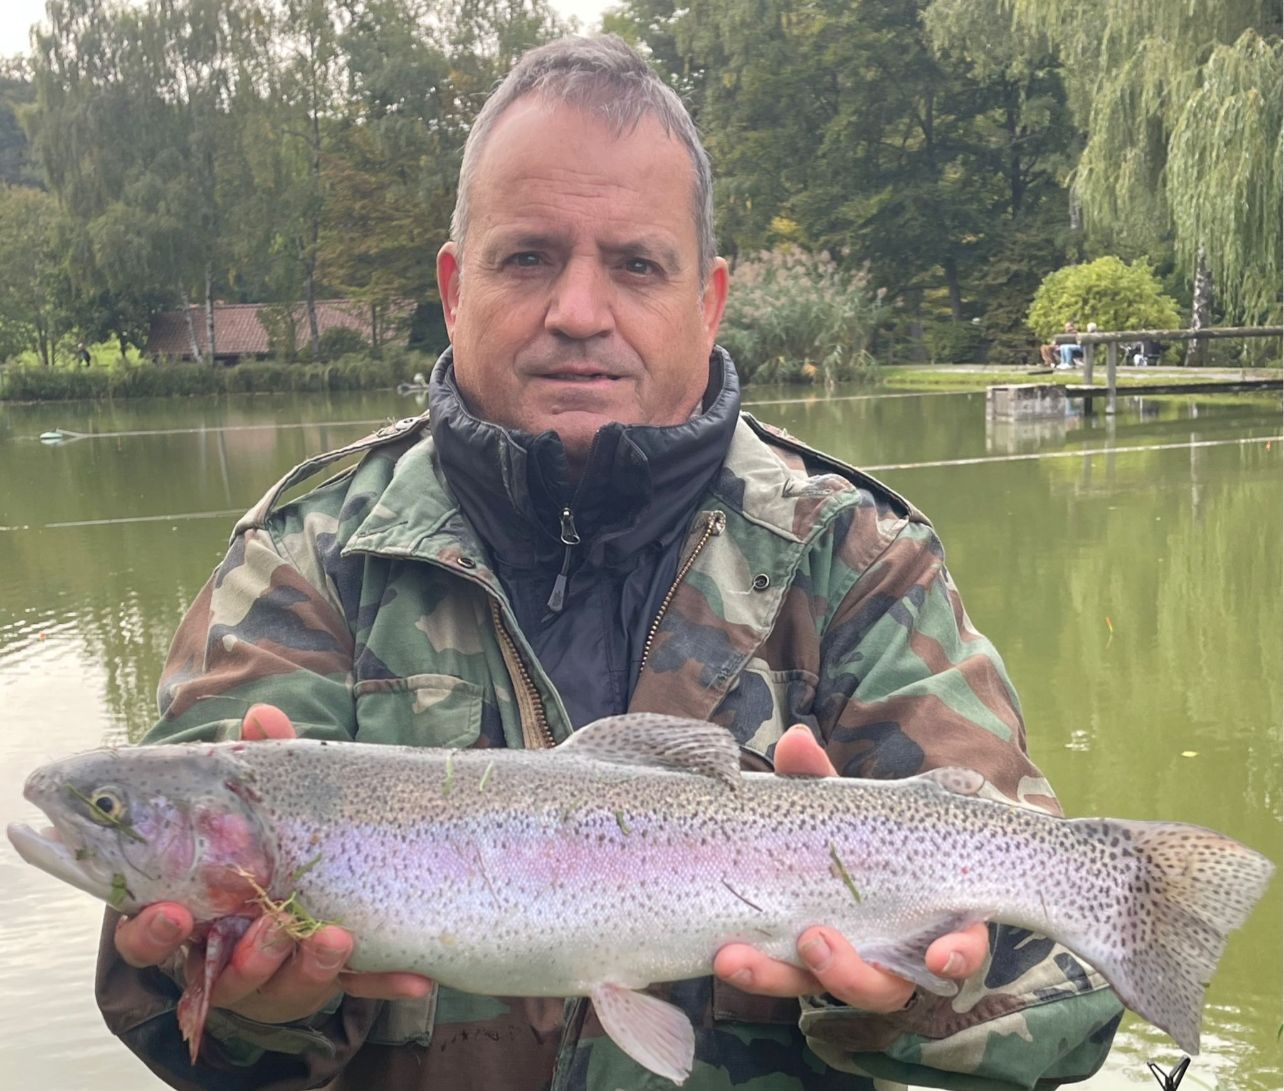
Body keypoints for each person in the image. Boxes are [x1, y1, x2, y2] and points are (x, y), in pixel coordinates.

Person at [97, 35, 1122, 1091]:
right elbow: (156, 991)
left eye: (636, 264)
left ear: (708, 300)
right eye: (527, 258)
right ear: (454, 287)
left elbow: (1073, 992)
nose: (579, 313)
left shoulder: (859, 559)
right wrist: (259, 1006)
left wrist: (916, 995)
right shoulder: (306, 554)